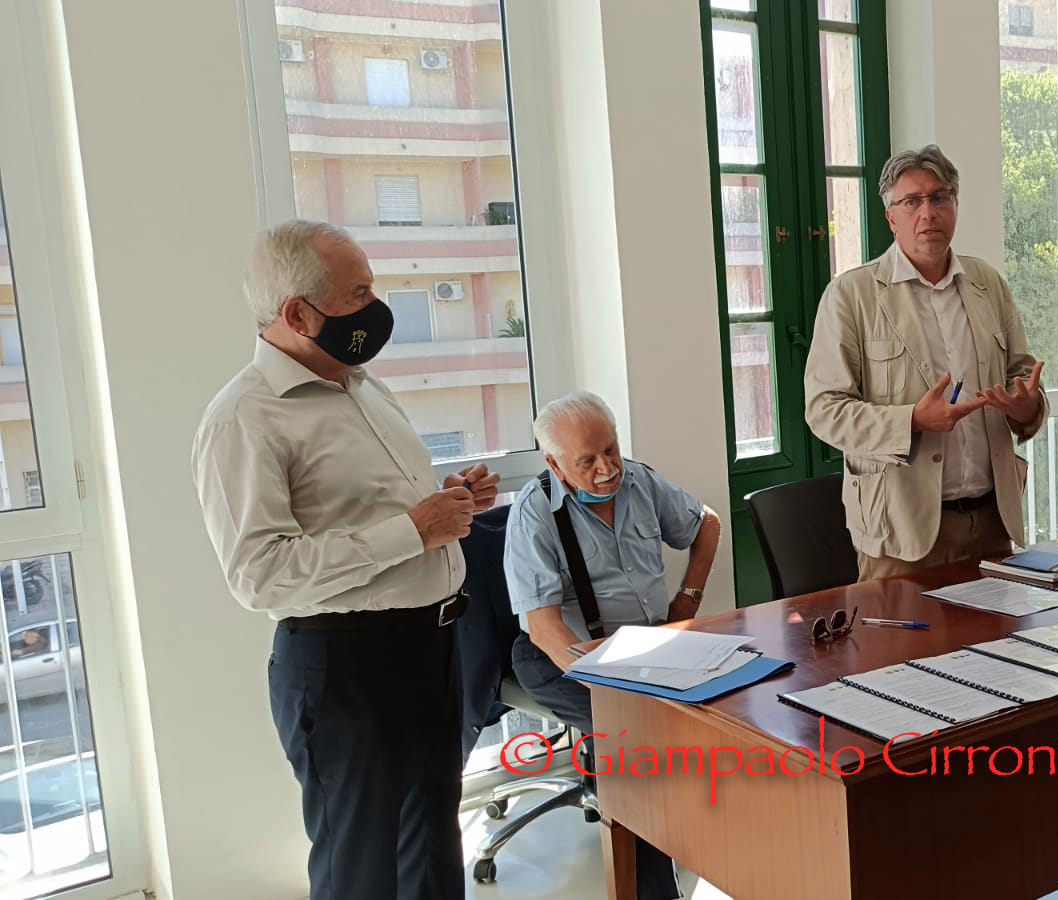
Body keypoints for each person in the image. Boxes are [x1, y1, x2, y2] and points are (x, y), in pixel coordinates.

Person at [192, 220, 501, 899]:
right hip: (346, 668)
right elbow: (260, 574)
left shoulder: (362, 386)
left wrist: (448, 500)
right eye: (358, 294)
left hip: (431, 647)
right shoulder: (244, 418)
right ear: (299, 314)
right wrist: (413, 531)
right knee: (362, 870)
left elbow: (371, 511)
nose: (376, 308)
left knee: (433, 850)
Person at [503, 390, 721, 900]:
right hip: (560, 656)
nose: (607, 469)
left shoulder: (640, 482)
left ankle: (723, 855)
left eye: (611, 450)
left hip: (647, 649)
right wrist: (613, 690)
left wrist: (686, 603)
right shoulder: (534, 514)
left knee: (726, 709)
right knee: (634, 739)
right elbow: (545, 631)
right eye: (587, 461)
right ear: (555, 465)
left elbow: (706, 523)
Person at [804, 145, 1048, 580]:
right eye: (912, 201)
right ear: (890, 217)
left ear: (955, 205)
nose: (928, 213)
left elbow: (1021, 374)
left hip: (993, 521)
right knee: (900, 629)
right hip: (900, 529)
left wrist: (1027, 407)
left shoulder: (987, 283)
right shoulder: (851, 295)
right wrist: (912, 420)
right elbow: (824, 410)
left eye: (939, 198)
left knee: (1000, 627)